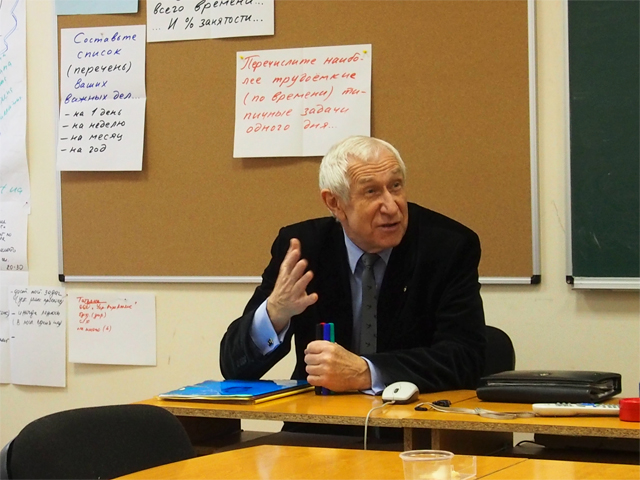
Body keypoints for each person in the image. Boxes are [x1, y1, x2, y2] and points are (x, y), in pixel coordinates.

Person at [220, 135, 485, 435]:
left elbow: (466, 358)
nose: (392, 207)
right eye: (372, 191)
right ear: (334, 203)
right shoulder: (303, 249)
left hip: (414, 433)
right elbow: (234, 368)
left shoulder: (447, 247)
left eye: (396, 186)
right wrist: (275, 313)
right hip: (318, 433)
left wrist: (365, 372)